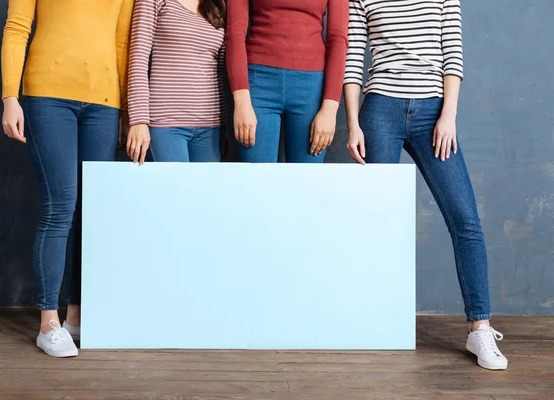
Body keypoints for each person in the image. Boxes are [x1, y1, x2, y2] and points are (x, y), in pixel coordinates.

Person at [343, 0, 507, 370]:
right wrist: (352, 123)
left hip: (433, 111)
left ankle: (479, 327)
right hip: (379, 109)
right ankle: (369, 320)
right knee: (374, 221)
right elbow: (353, 60)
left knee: (465, 219)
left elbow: (453, 54)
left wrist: (448, 115)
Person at [1, 0, 133, 357]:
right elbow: (16, 28)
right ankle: (49, 323)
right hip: (48, 94)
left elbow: (122, 42)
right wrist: (10, 97)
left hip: (105, 103)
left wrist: (124, 113)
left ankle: (75, 314)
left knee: (89, 213)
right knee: (60, 206)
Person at [225, 0, 349, 163]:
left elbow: (338, 40)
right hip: (258, 84)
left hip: (311, 89)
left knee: (305, 182)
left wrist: (330, 109)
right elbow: (234, 33)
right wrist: (241, 102)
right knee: (257, 181)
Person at [126, 0, 227, 164]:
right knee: (174, 189)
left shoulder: (216, 5)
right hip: (165, 124)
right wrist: (139, 120)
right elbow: (138, 59)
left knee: (203, 190)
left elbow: (220, 72)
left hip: (212, 127)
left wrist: (226, 125)